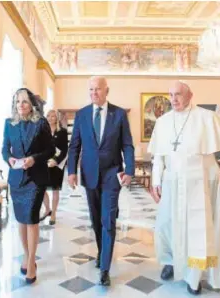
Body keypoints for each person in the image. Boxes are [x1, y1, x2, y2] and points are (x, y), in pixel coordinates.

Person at [148, 81, 220, 295]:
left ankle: (194, 276)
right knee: (167, 225)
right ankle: (171, 261)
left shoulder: (206, 117)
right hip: (172, 182)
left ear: (190, 95)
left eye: (178, 94)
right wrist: (155, 182)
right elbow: (159, 157)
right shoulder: (162, 122)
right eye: (170, 94)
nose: (174, 99)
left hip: (202, 182)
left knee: (198, 229)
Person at [67, 76, 135, 286]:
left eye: (98, 89)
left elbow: (127, 145)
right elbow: (74, 146)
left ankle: (104, 268)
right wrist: (71, 172)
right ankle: (101, 250)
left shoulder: (119, 114)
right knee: (96, 219)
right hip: (89, 174)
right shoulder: (82, 115)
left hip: (112, 174)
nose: (94, 93)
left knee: (108, 220)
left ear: (107, 91)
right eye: (91, 89)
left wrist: (130, 170)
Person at [2, 88, 55, 284]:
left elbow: (50, 149)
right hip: (17, 179)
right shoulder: (9, 124)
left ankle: (31, 261)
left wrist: (34, 159)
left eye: (24, 101)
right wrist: (9, 160)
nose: (21, 105)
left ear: (31, 104)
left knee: (32, 219)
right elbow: (4, 149)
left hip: (35, 179)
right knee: (21, 220)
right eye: (18, 101)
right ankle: (26, 254)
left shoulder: (40, 123)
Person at [40, 109, 69, 225]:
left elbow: (64, 150)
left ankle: (53, 214)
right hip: (44, 164)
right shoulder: (42, 131)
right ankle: (47, 209)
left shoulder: (62, 131)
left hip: (57, 165)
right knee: (42, 189)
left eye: (52, 116)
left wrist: (56, 161)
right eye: (48, 116)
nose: (50, 118)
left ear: (56, 118)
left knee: (55, 190)